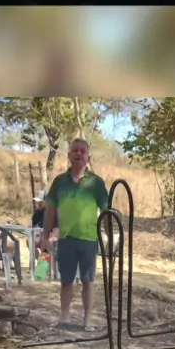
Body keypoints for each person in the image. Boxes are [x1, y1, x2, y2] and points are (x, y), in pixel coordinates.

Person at [41, 138, 109, 330]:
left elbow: (106, 212)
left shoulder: (96, 183)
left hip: (89, 238)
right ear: (69, 155)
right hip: (66, 239)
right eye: (75, 150)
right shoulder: (59, 181)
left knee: (88, 281)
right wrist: (45, 236)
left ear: (88, 157)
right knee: (66, 281)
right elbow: (50, 210)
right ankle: (64, 317)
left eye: (82, 151)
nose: (79, 154)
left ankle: (87, 320)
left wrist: (110, 238)